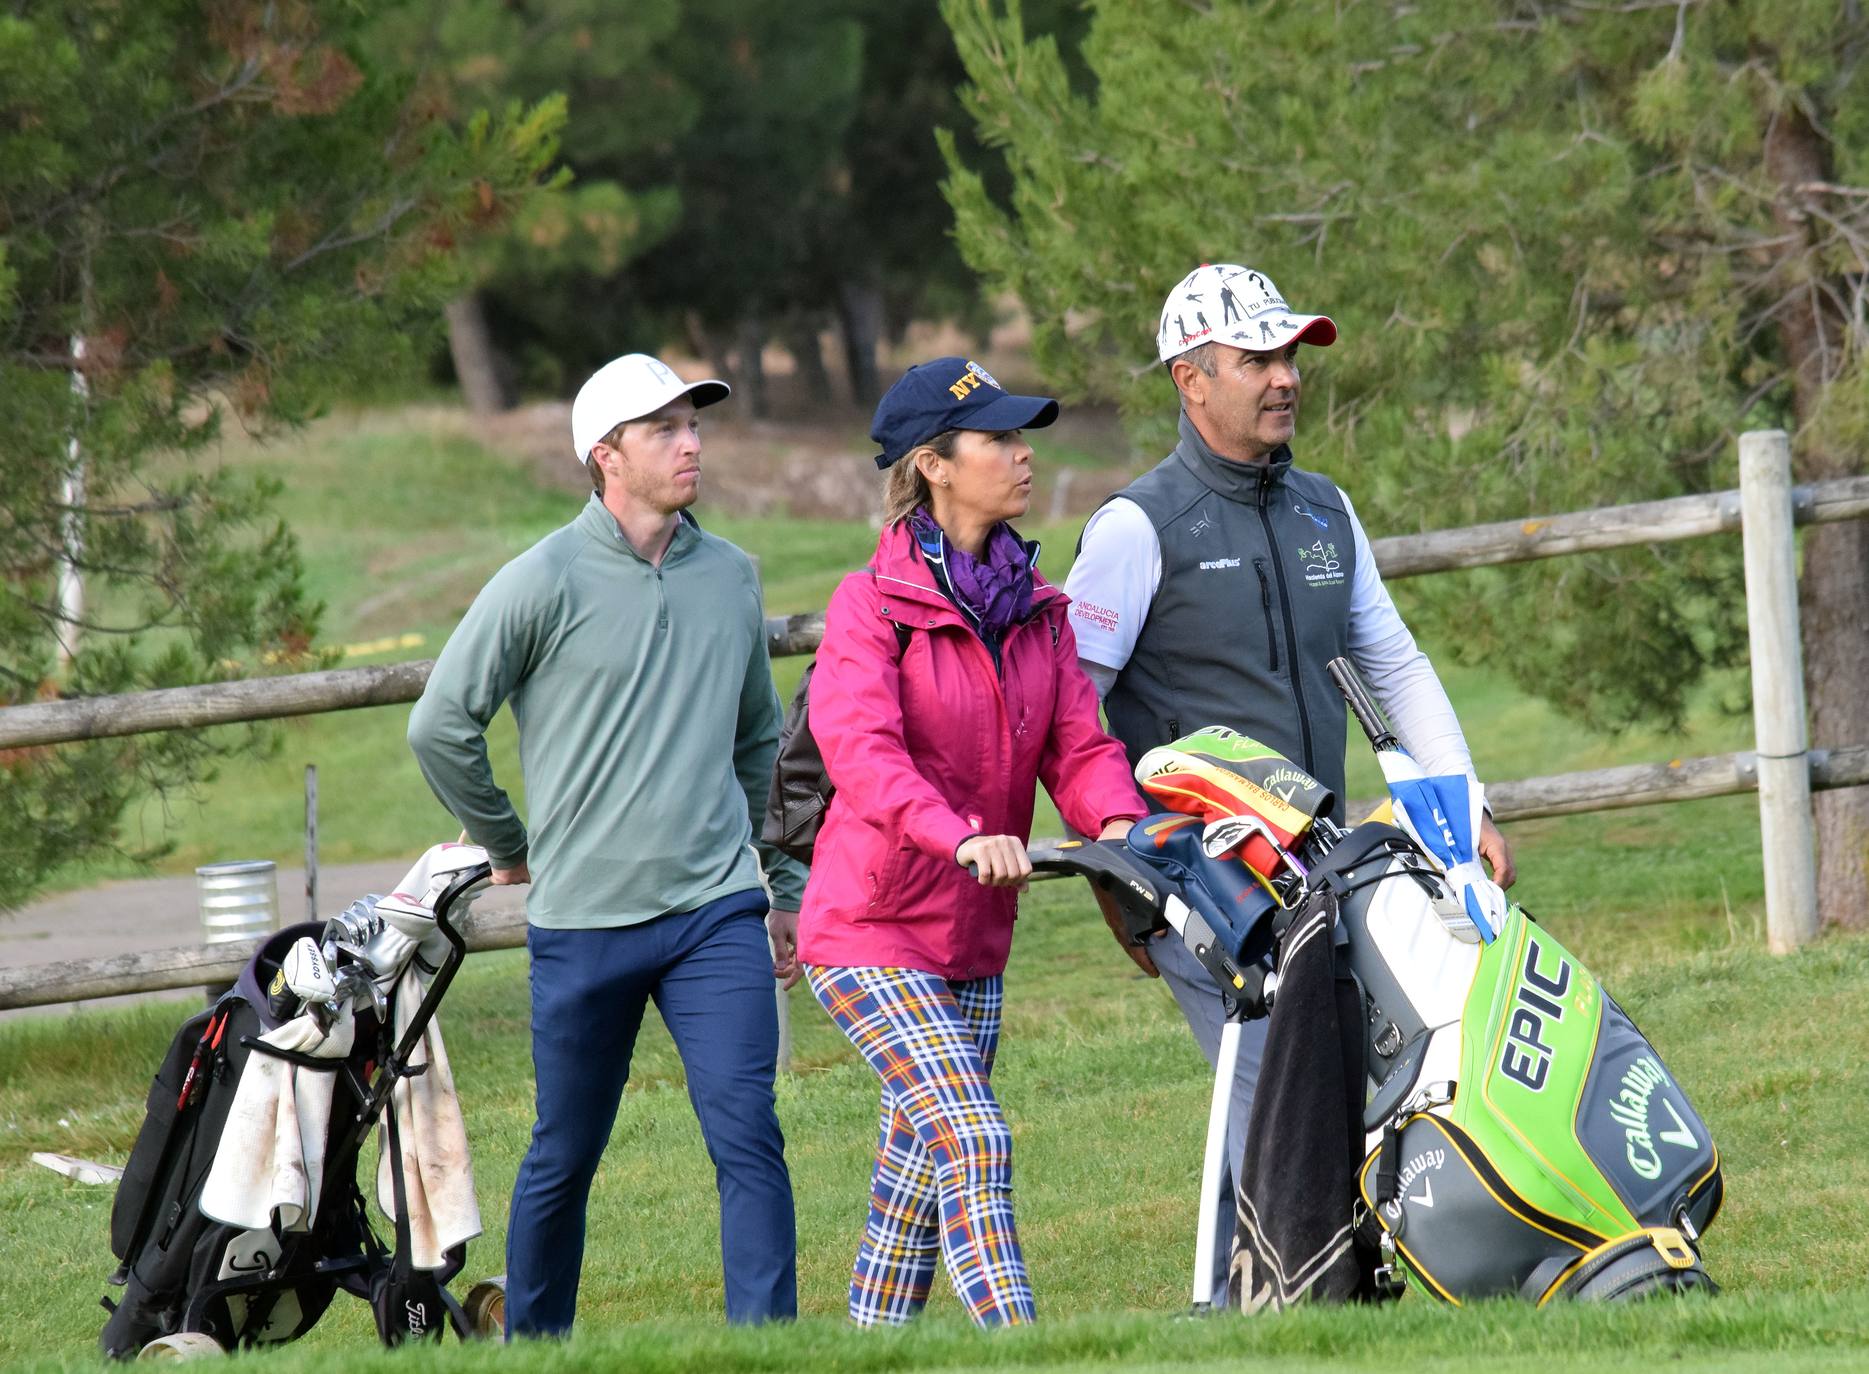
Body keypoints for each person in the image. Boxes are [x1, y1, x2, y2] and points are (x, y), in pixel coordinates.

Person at [1063, 264, 1517, 1293]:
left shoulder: (1325, 510)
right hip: (1201, 878)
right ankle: (1275, 1302)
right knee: (1275, 1084)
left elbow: (1393, 665)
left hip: (1319, 866)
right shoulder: (1137, 528)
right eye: (1257, 359)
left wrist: (1467, 803)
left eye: (1291, 357)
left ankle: (1300, 1291)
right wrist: (1123, 868)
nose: (1285, 378)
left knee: (1343, 1075)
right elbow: (1067, 711)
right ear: (1191, 380)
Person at [406, 353, 806, 1337]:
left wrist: (774, 878)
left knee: (749, 1134)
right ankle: (538, 1347)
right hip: (585, 922)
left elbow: (762, 739)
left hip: (716, 912)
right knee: (564, 1151)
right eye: (665, 429)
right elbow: (441, 724)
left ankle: (771, 1349)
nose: (691, 443)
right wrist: (507, 844)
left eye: (694, 425)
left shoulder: (731, 576)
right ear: (605, 454)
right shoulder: (540, 578)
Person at [797, 357, 1148, 1328]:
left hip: (974, 937)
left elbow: (1078, 744)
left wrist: (1117, 819)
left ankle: (873, 1352)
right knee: (976, 1139)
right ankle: (1024, 1346)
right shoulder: (868, 606)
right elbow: (862, 755)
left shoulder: (1037, 607)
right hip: (869, 930)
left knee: (911, 1199)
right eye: (999, 439)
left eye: (1021, 436)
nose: (1023, 455)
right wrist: (958, 840)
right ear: (937, 465)